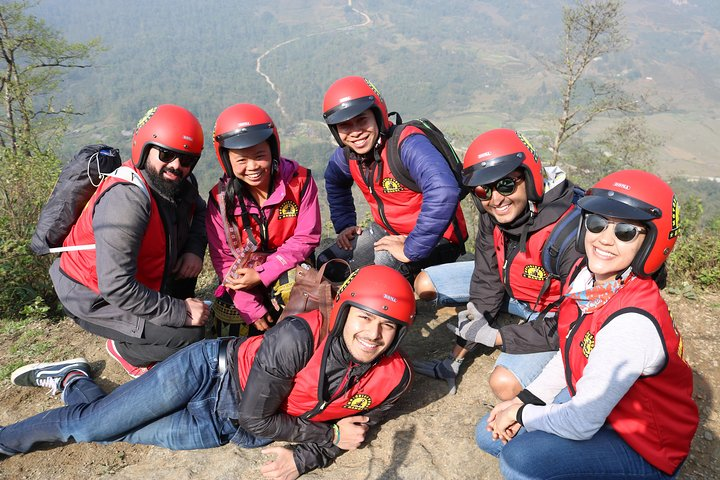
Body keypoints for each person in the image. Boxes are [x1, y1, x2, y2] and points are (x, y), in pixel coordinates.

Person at [2, 265, 415, 480]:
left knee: (110, 427)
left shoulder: (394, 379)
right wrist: (328, 436)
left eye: (388, 325)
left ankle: (73, 380)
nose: (373, 334)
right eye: (364, 317)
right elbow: (310, 428)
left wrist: (305, 459)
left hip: (226, 427)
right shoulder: (297, 337)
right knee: (90, 428)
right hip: (207, 373)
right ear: (344, 312)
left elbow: (356, 430)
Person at [476, 170, 698, 479]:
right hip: (605, 408)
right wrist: (524, 400)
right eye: (596, 223)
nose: (604, 239)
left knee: (521, 461)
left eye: (626, 231)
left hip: (644, 446)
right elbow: (568, 352)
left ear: (652, 242)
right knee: (488, 435)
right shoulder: (587, 281)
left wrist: (523, 414)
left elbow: (581, 422)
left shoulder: (631, 321)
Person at [414, 129, 583, 396]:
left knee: (504, 386)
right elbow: (486, 278)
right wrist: (455, 357)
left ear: (530, 177)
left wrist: (497, 337)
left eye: (506, 185)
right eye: (483, 189)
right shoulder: (493, 215)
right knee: (425, 283)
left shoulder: (571, 233)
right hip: (512, 286)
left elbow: (575, 321)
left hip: (551, 309)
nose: (495, 199)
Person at [49, 104, 210, 378]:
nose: (176, 166)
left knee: (189, 314)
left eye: (186, 160)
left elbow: (201, 212)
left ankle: (155, 327)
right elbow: (116, 286)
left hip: (138, 278)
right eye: (167, 154)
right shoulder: (127, 201)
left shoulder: (179, 183)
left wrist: (194, 251)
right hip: (94, 296)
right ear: (145, 149)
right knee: (191, 336)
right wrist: (178, 311)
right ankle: (125, 350)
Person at [318, 75, 467, 282]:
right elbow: (335, 181)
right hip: (386, 231)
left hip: (437, 238)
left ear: (378, 116)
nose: (355, 133)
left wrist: (411, 248)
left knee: (381, 271)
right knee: (329, 264)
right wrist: (345, 224)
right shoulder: (348, 156)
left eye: (362, 120)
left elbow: (444, 190)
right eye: (344, 126)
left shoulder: (406, 145)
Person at [206, 103, 321, 336]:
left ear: (272, 150)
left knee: (293, 289)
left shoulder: (299, 182)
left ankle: (305, 340)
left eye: (259, 156)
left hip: (289, 267)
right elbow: (224, 259)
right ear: (227, 161)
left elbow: (306, 238)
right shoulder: (220, 199)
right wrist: (250, 306)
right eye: (241, 161)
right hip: (245, 275)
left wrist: (263, 273)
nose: (252, 167)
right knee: (229, 320)